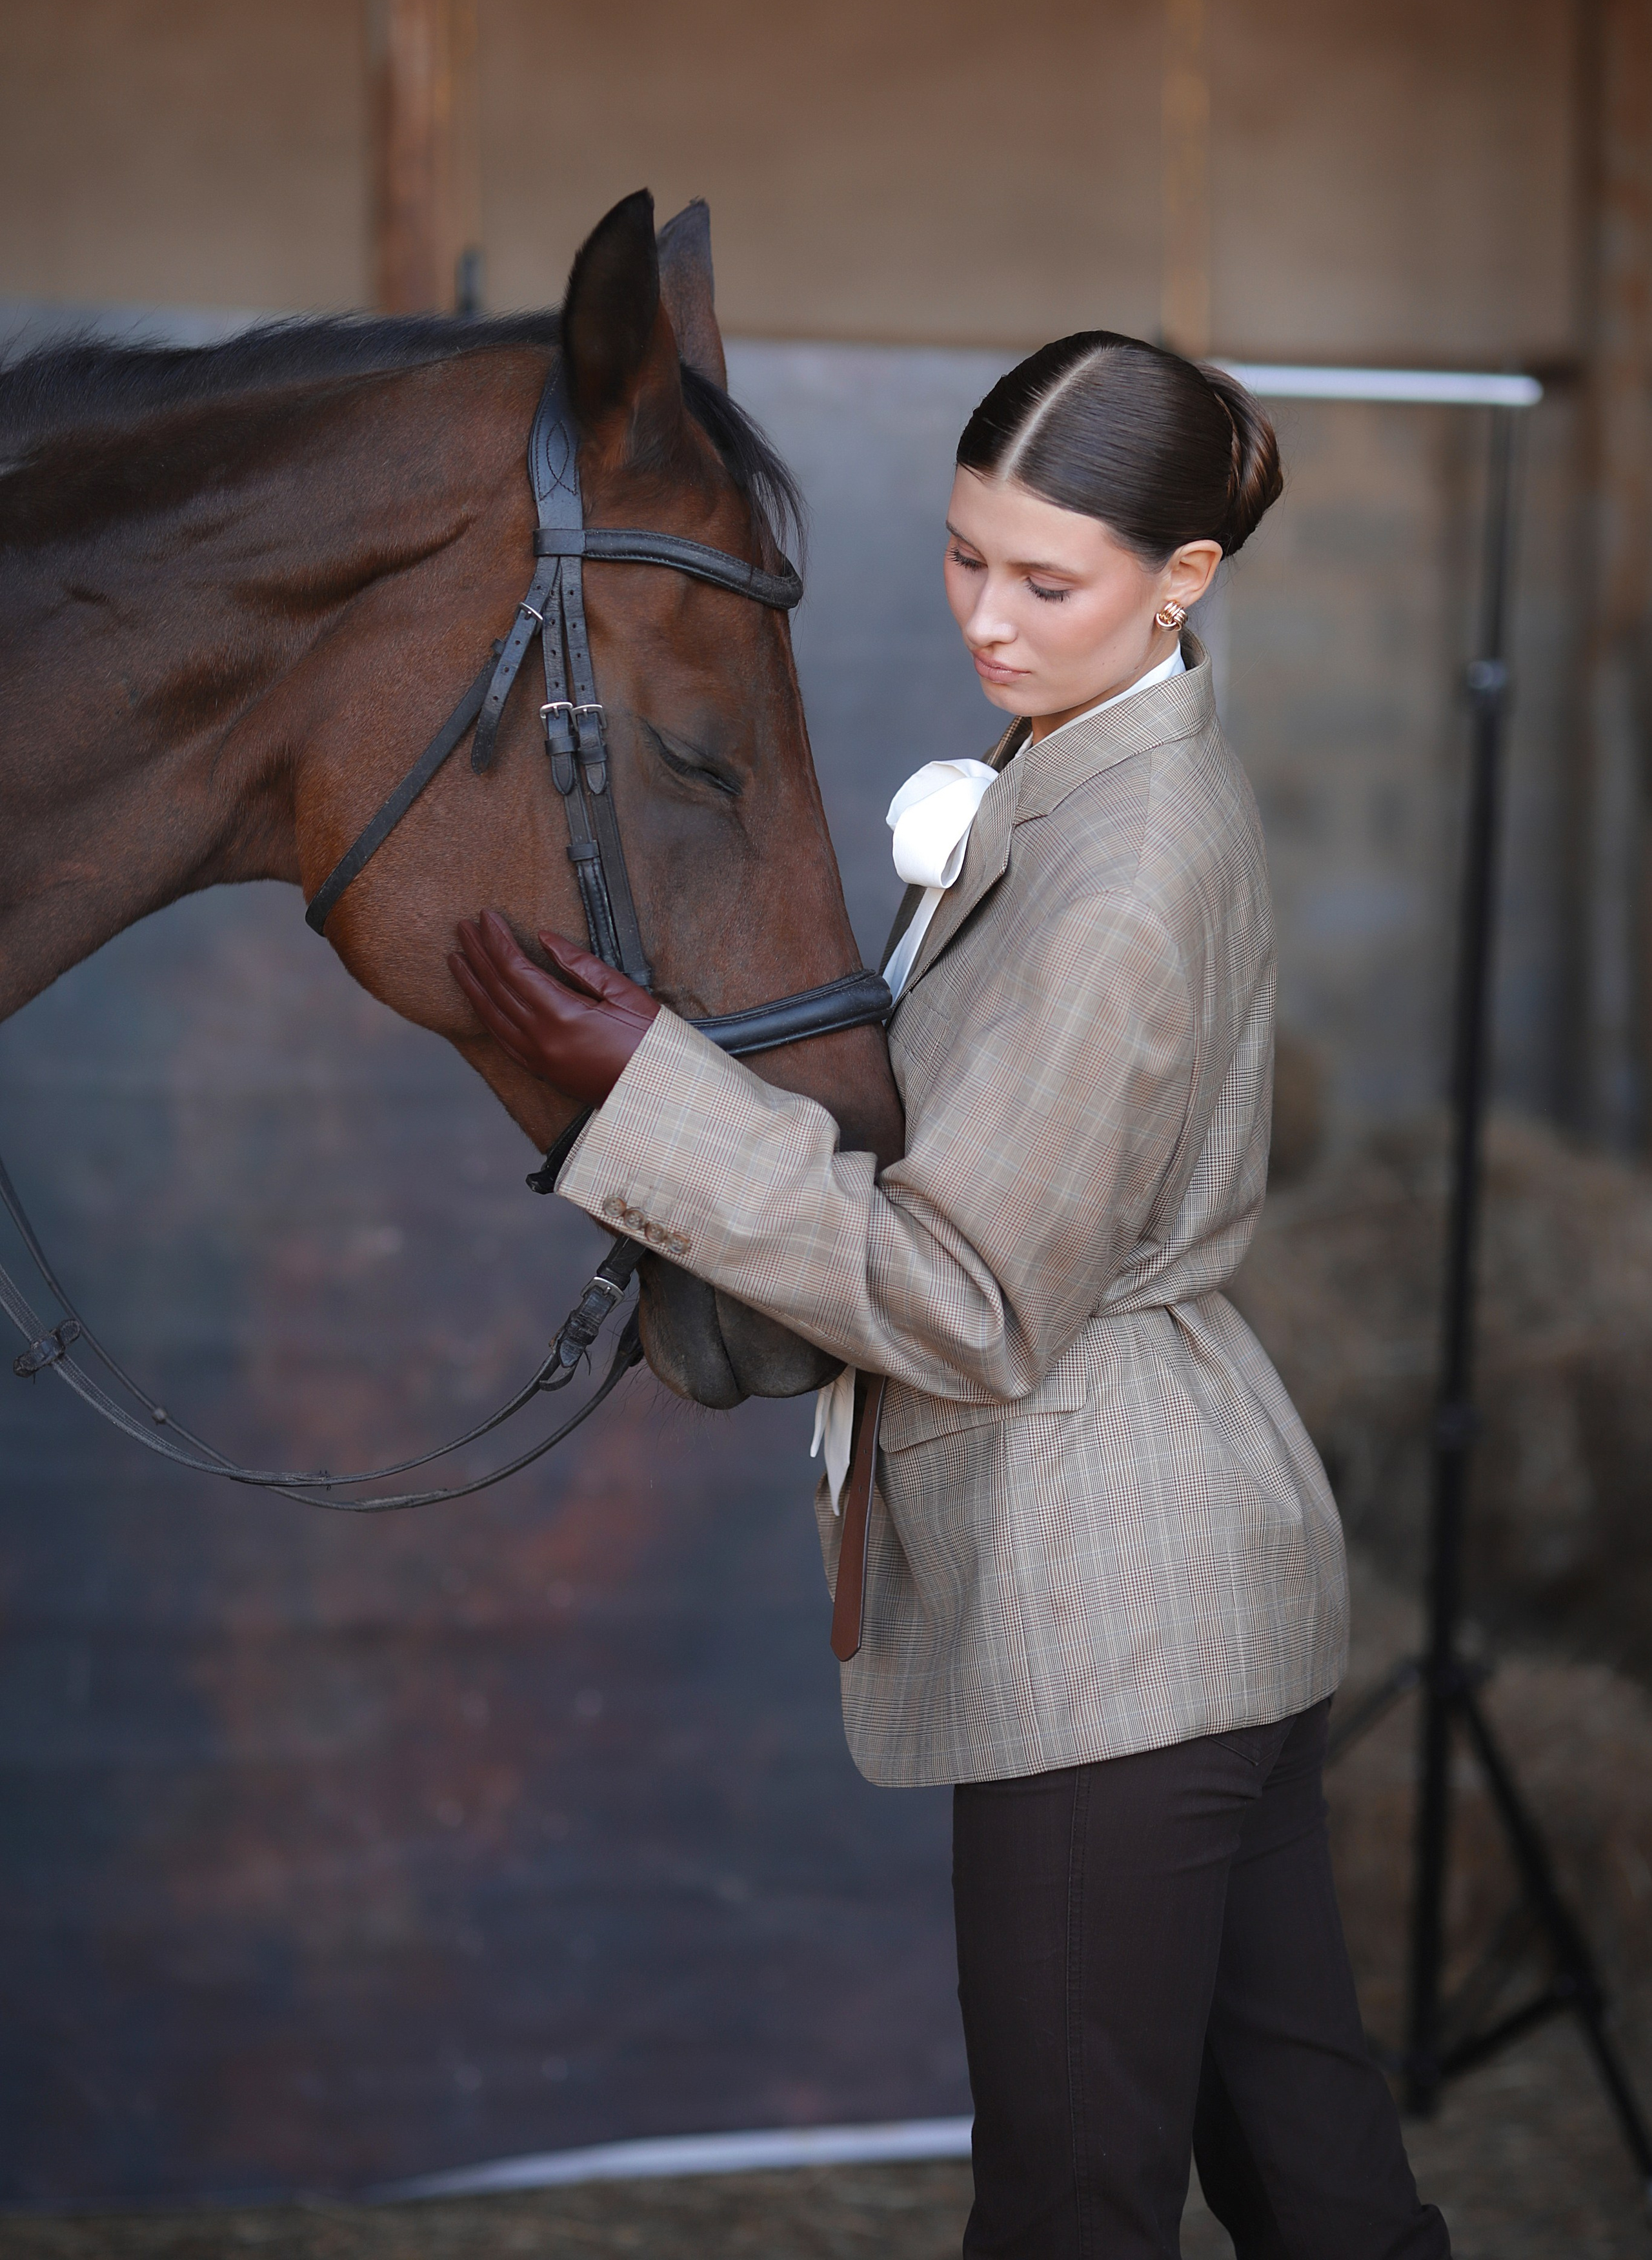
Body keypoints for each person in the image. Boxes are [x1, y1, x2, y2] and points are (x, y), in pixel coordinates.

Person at [450, 332, 1450, 2260]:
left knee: (1072, 2211)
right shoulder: (1078, 766)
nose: (987, 620)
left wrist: (648, 1100)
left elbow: (973, 1297)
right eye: (963, 556)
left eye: (1045, 581)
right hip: (1199, 1581)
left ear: (1187, 579)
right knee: (1320, 2191)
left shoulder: (1128, 859)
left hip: (1115, 1611)